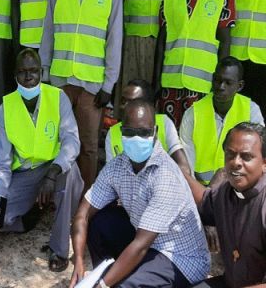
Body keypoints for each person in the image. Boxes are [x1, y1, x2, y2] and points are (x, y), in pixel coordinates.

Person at [69, 99, 210, 288]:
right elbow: (83, 214)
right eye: (129, 132)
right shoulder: (118, 166)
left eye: (143, 132)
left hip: (179, 258)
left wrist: (103, 285)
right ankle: (104, 273)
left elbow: (140, 246)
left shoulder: (166, 175)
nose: (136, 138)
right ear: (121, 132)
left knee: (126, 284)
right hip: (145, 242)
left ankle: (108, 281)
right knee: (99, 221)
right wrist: (78, 260)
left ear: (155, 133)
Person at [39, 0, 123, 192]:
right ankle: (59, 195)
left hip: (91, 83)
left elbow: (114, 38)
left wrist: (109, 84)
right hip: (61, 80)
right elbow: (48, 28)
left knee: (88, 146)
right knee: (60, 140)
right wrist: (44, 71)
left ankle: (86, 202)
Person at [0, 49, 83, 272]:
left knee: (70, 175)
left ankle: (59, 248)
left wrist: (53, 172)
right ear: (14, 75)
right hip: (25, 175)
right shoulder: (4, 110)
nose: (28, 77)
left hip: (55, 169)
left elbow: (72, 141)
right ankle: (29, 217)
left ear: (41, 72)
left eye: (33, 71)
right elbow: (2, 164)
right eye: (22, 72)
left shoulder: (58, 98)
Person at [154, 0, 234, 128]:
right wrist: (156, 81)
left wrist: (221, 83)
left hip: (203, 86)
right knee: (169, 141)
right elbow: (162, 43)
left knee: (196, 141)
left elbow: (224, 45)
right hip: (171, 84)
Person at [177, 122, 266, 288]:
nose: (235, 162)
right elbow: (204, 200)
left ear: (264, 163)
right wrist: (178, 171)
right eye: (230, 155)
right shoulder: (227, 191)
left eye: (246, 157)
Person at [180, 57, 264, 186]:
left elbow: (259, 153)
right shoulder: (193, 113)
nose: (221, 87)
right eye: (217, 81)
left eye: (228, 83)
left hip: (240, 187)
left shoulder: (251, 110)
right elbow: (186, 162)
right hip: (200, 188)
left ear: (239, 86)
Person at [106, 79, 187, 168]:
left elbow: (183, 166)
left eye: (133, 103)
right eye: (123, 101)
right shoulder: (112, 133)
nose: (125, 107)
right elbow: (111, 174)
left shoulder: (164, 122)